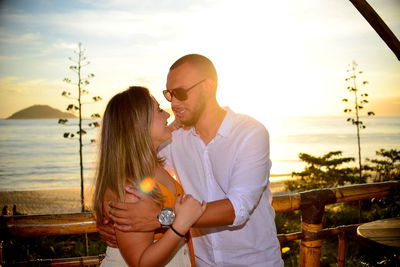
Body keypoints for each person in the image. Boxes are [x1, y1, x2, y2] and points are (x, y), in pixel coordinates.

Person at [99, 54, 284, 266]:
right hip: (200, 262)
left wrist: (160, 216)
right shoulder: (173, 140)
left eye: (180, 93)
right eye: (169, 95)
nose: (173, 104)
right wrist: (110, 218)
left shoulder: (249, 133)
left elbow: (238, 208)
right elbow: (128, 161)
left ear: (207, 86)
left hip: (254, 262)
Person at [93, 86, 206, 267]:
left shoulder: (153, 165)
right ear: (138, 124)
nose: (167, 116)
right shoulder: (130, 188)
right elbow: (141, 262)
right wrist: (180, 226)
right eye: (159, 110)